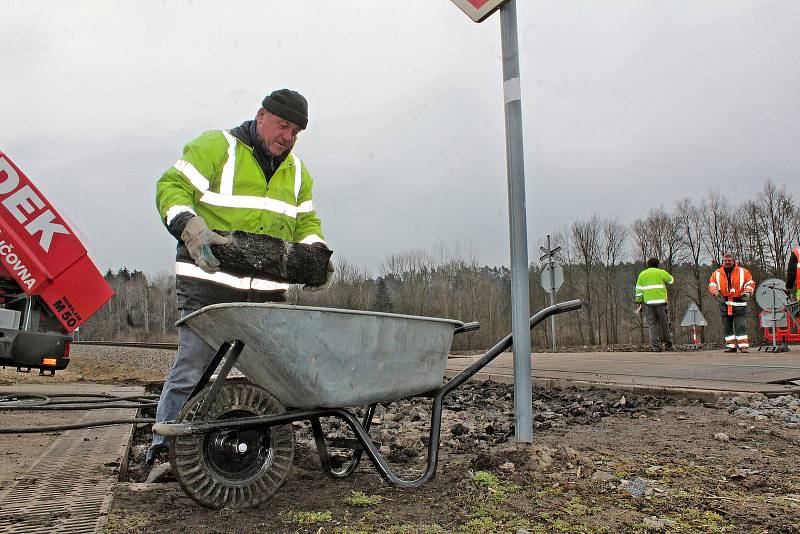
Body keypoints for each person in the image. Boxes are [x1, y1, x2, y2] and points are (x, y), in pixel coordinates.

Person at [147, 89, 332, 465]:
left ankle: (261, 453)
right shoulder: (218, 147)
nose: (288, 137)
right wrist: (189, 225)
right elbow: (171, 187)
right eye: (283, 126)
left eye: (296, 131)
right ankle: (164, 451)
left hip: (265, 297)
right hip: (209, 289)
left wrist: (317, 255)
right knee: (192, 371)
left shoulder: (297, 173)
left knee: (271, 379)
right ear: (261, 116)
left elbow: (307, 223)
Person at [708, 253, 755, 353]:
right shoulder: (716, 273)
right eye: (726, 261)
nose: (728, 262)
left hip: (739, 302)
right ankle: (731, 346)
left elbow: (750, 283)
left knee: (740, 325)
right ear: (723, 261)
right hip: (724, 302)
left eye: (729, 260)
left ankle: (743, 346)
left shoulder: (743, 272)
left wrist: (747, 292)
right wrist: (715, 292)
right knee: (727, 326)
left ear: (734, 261)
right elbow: (712, 284)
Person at [635, 257, 675, 352]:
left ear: (648, 264)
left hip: (649, 304)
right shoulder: (661, 272)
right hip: (661, 303)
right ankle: (668, 346)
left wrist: (638, 302)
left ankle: (656, 347)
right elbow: (671, 281)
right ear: (657, 264)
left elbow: (638, 290)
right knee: (664, 325)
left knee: (652, 325)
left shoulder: (642, 275)